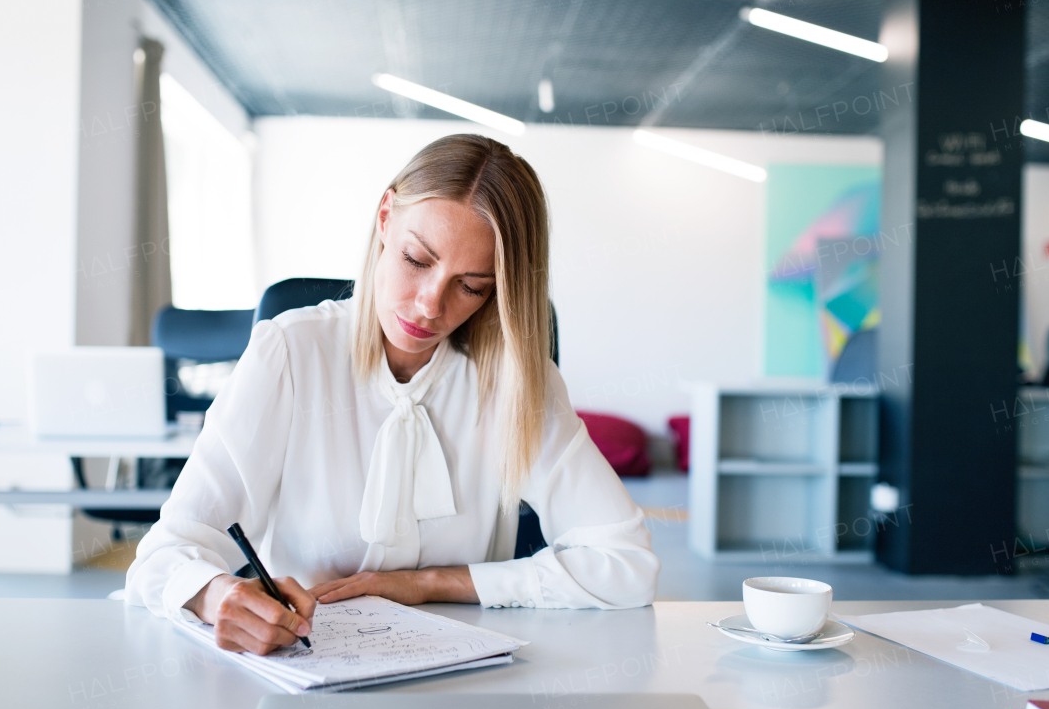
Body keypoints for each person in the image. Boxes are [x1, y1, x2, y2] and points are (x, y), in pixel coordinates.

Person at [125, 134, 660, 655]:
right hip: (308, 671)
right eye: (417, 259)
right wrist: (219, 595)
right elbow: (163, 555)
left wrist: (430, 583)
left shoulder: (518, 381)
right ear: (385, 218)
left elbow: (626, 564)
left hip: (459, 685)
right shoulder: (288, 353)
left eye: (471, 286)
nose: (430, 305)